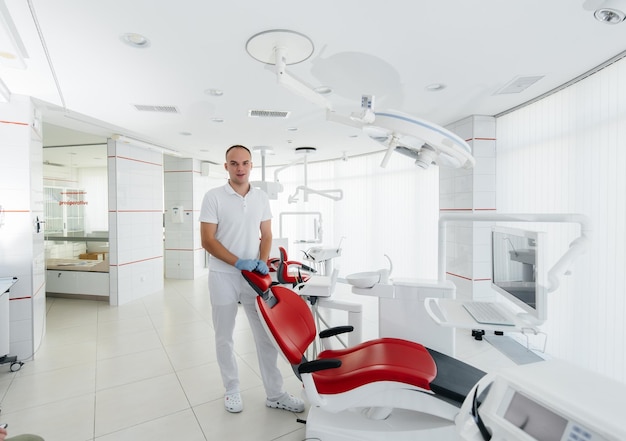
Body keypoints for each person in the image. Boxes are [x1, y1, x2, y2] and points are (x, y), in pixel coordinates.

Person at [199, 144, 305, 414]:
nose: (240, 168)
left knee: (265, 336)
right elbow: (207, 241)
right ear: (226, 166)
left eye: (245, 163)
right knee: (224, 336)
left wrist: (261, 261)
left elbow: (266, 234)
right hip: (223, 276)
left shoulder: (260, 197)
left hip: (252, 278)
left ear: (251, 166)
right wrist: (237, 262)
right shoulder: (213, 197)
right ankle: (232, 389)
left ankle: (276, 393)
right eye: (234, 163)